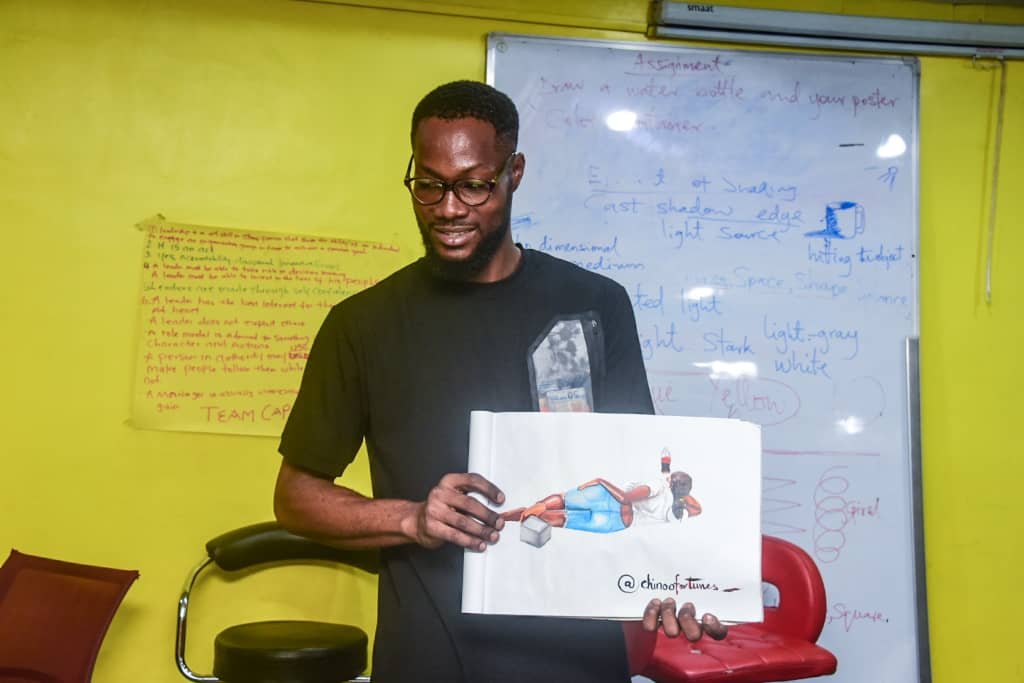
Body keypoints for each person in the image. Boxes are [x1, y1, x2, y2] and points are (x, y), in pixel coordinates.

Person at [273, 80, 726, 683]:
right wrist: (412, 518)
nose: (448, 208)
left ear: (514, 173)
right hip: (430, 661)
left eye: (474, 185)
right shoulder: (363, 324)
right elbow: (295, 497)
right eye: (429, 184)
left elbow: (639, 477)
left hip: (575, 662)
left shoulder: (595, 305)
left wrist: (676, 581)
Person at [500, 453, 702, 534]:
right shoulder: (676, 513)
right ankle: (509, 517)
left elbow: (625, 498)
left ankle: (503, 517)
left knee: (561, 501)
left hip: (611, 501)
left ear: (671, 481)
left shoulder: (656, 486)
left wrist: (601, 481)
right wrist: (679, 493)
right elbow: (698, 509)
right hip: (615, 523)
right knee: (558, 518)